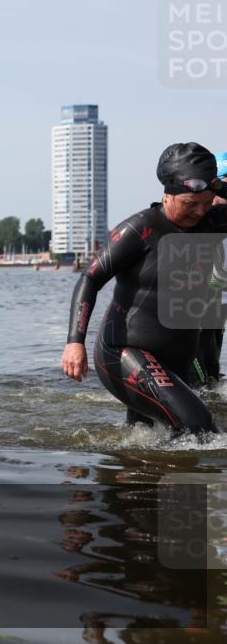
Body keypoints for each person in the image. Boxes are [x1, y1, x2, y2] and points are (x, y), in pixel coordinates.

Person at [61, 142, 227, 435]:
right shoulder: (140, 229)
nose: (199, 212)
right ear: (168, 193)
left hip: (174, 360)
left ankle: (134, 478)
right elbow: (90, 278)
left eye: (206, 203)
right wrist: (75, 342)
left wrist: (217, 187)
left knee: (147, 439)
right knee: (199, 427)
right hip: (124, 352)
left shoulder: (211, 223)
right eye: (190, 204)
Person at [191, 151, 227, 386]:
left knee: (213, 363)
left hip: (219, 296)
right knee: (201, 360)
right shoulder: (199, 216)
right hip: (195, 301)